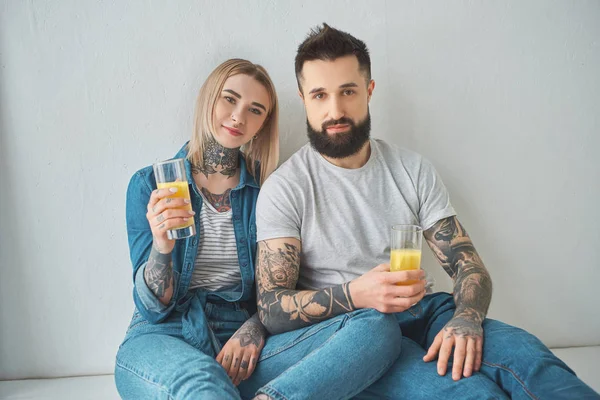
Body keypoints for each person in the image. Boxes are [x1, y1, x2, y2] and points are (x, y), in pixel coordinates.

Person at [254, 24, 600, 399]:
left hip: (425, 312)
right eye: (320, 95)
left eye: (348, 91)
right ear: (303, 99)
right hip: (355, 332)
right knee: (476, 394)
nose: (335, 110)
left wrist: (467, 319)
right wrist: (357, 293)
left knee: (533, 361)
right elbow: (271, 309)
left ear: (369, 92)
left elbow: (468, 266)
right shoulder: (285, 187)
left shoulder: (412, 169)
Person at [114, 58, 403, 400]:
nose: (239, 116)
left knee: (376, 327)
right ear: (209, 97)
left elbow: (280, 292)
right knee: (202, 385)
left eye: (255, 110)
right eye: (229, 99)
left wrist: (254, 328)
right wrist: (162, 246)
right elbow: (153, 307)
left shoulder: (272, 188)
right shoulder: (150, 184)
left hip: (246, 342)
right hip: (166, 334)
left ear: (263, 125)